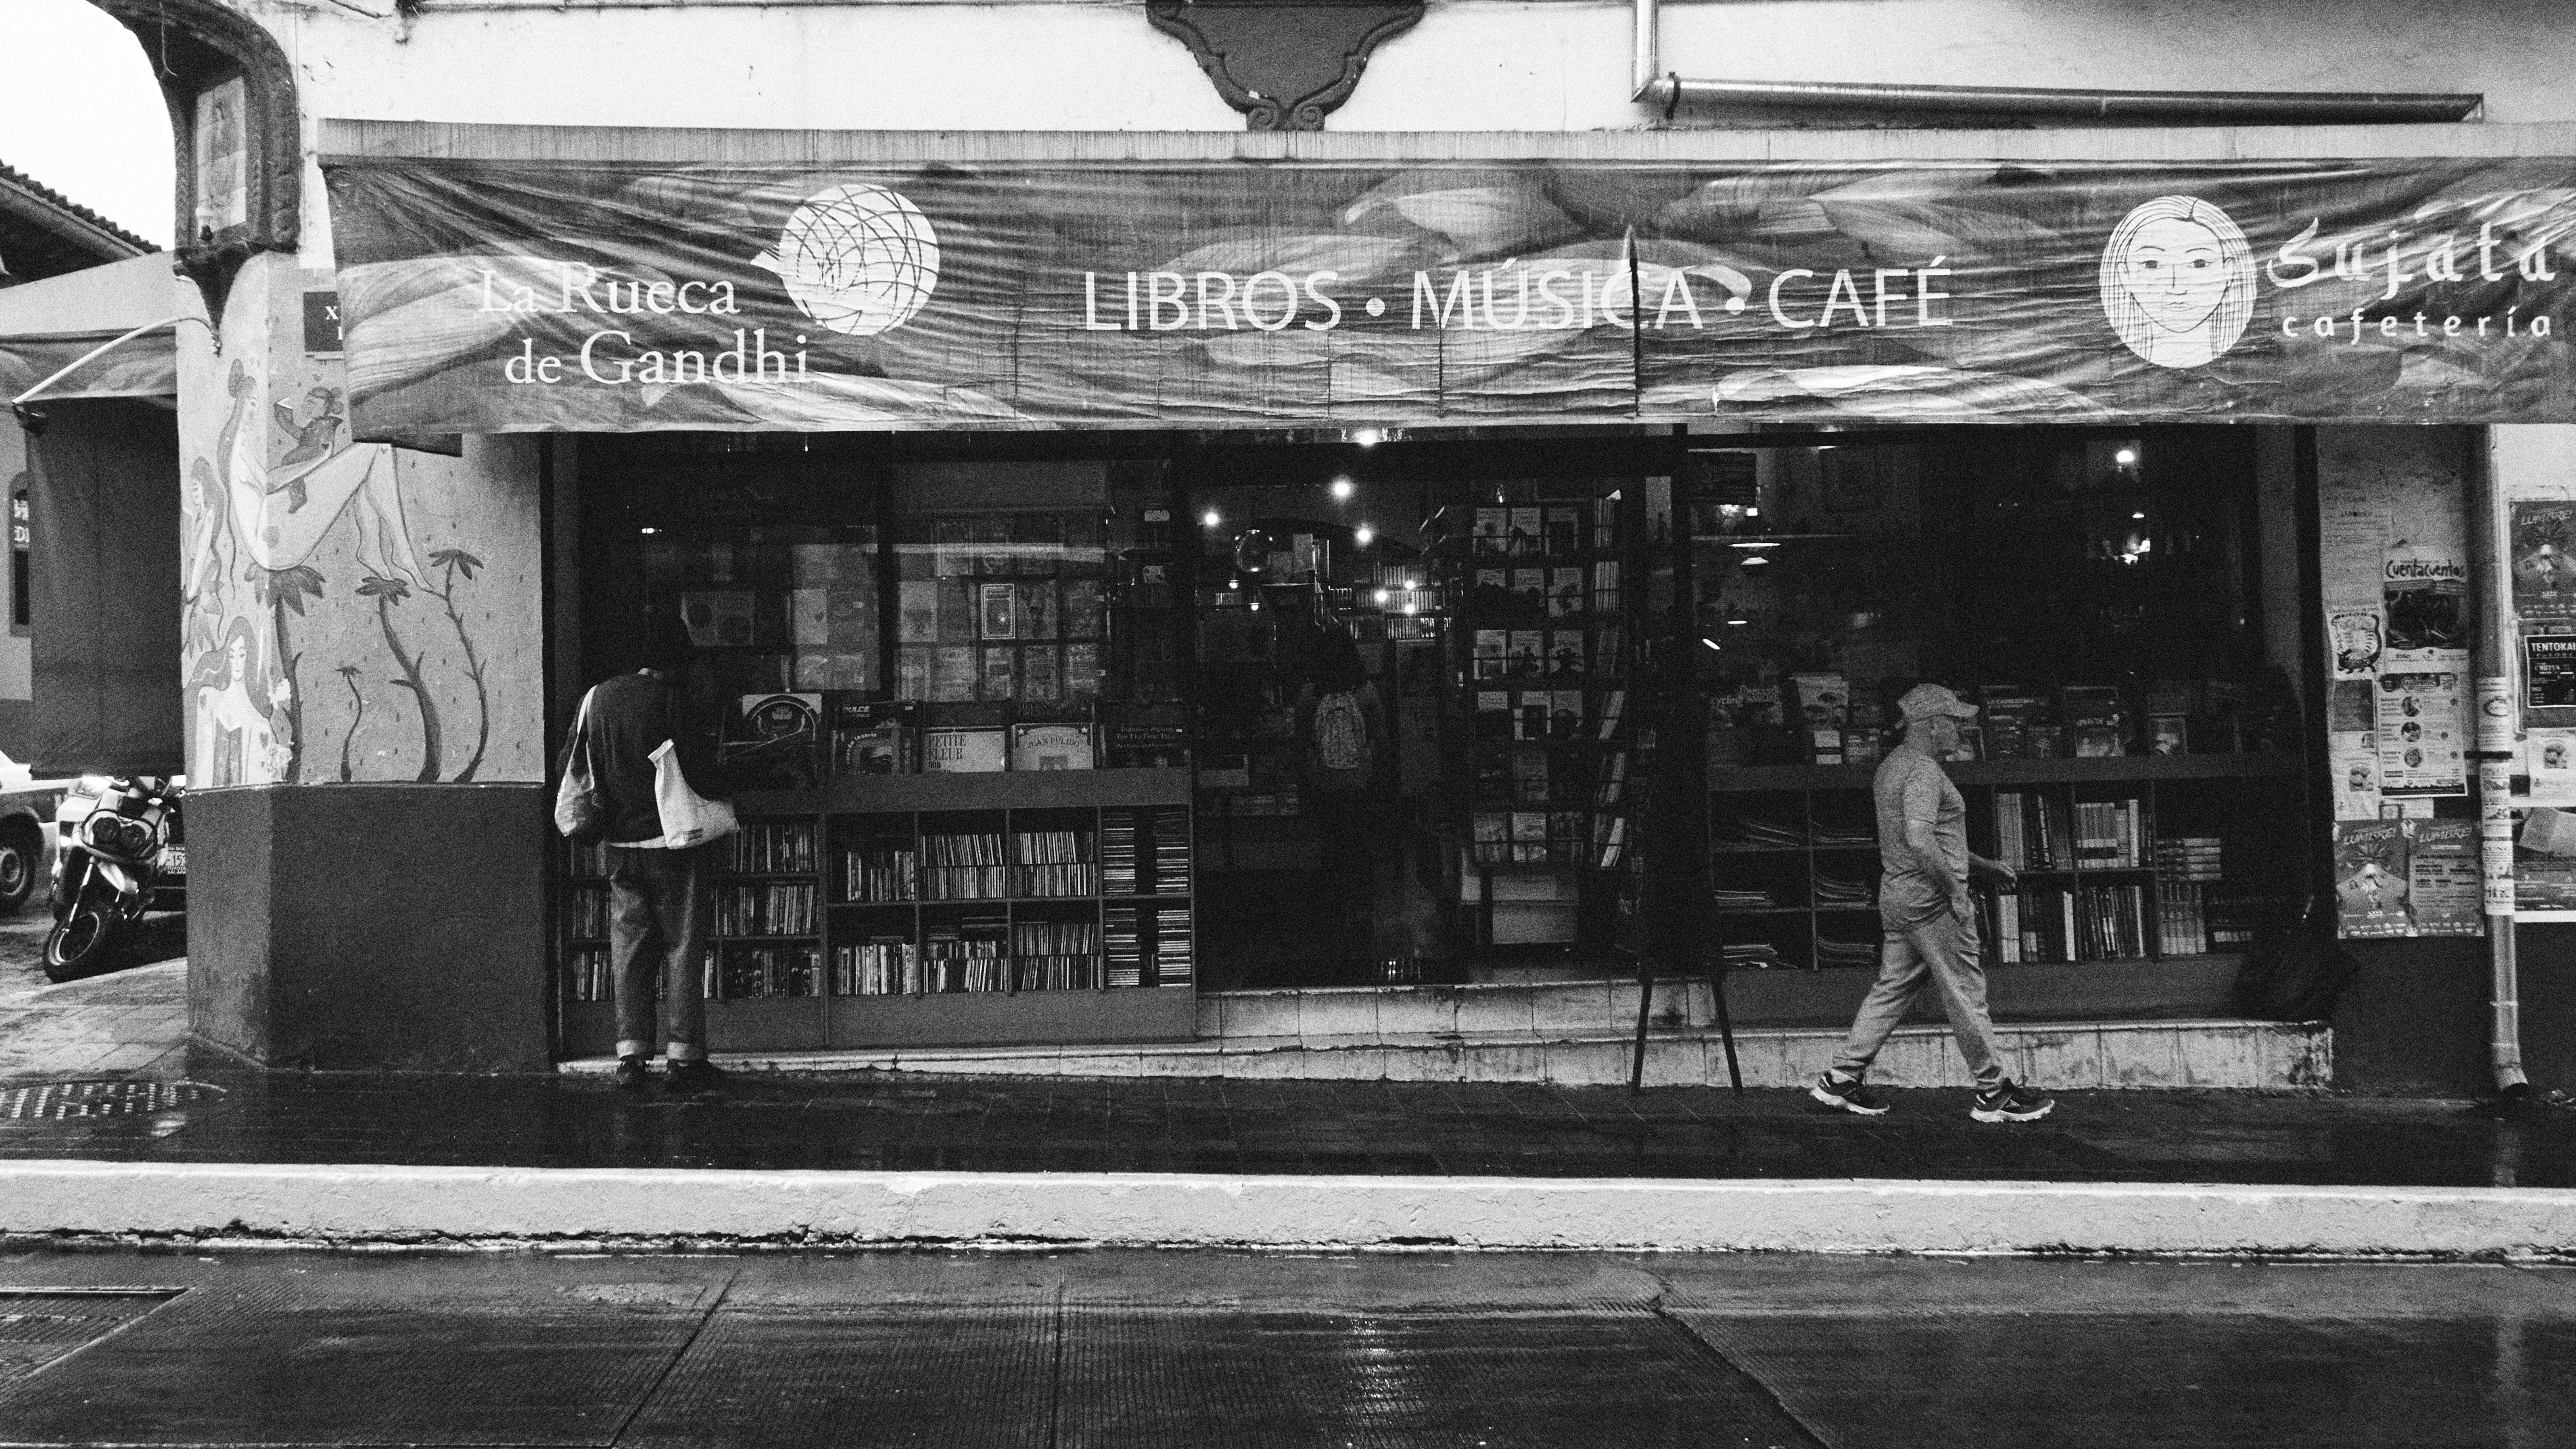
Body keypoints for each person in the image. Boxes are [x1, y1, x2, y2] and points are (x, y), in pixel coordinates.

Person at [1811, 683, 2056, 1123]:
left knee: (1892, 988)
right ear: (1929, 725)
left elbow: (1925, 840)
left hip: (1899, 895)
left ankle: (1841, 1078)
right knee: (1965, 992)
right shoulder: (1923, 771)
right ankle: (1993, 1092)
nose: (1962, 727)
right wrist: (1957, 892)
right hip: (1930, 901)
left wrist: (1982, 866)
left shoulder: (1891, 766)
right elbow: (1920, 838)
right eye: (1954, 720)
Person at [561, 613, 729, 1091]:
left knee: (629, 950)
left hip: (617, 846)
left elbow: (570, 764)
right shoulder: (670, 701)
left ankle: (631, 1055)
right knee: (682, 945)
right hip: (670, 843)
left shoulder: (596, 698)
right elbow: (699, 773)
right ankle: (684, 1055)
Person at [1297, 626, 1390, 939]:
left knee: (1331, 845)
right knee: (1359, 844)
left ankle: (1334, 912)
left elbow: (1302, 740)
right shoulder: (1365, 692)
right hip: (1359, 780)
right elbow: (1380, 737)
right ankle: (1362, 910)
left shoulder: (1309, 694)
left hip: (1323, 781)